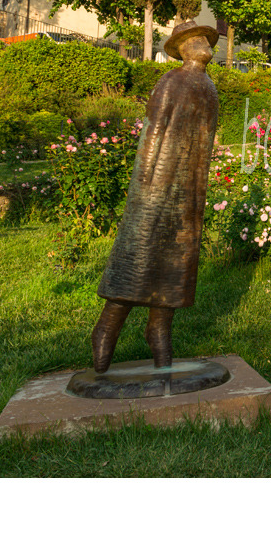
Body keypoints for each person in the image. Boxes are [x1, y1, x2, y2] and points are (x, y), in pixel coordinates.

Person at [90, 20, 220, 374]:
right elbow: (154, 127)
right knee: (139, 249)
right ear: (181, 48)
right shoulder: (172, 80)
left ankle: (159, 327)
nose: (207, 45)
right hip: (158, 178)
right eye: (197, 40)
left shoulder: (209, 87)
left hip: (190, 185)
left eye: (208, 40)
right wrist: (144, 180)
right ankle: (108, 325)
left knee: (177, 258)